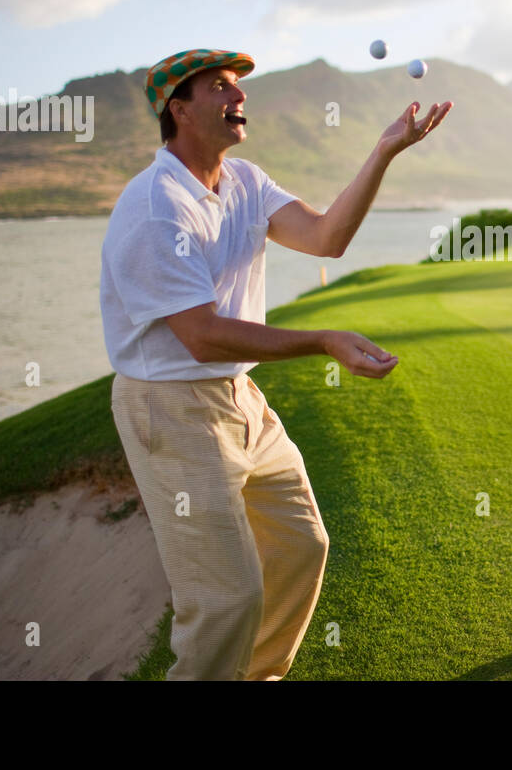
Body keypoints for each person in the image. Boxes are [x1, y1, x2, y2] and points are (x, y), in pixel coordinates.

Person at [101, 48, 452, 680]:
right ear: (179, 108)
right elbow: (202, 336)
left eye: (238, 86)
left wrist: (384, 152)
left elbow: (326, 238)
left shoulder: (246, 181)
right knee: (225, 598)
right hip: (170, 412)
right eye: (219, 87)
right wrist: (322, 340)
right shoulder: (157, 208)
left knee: (300, 546)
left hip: (240, 401)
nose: (239, 96)